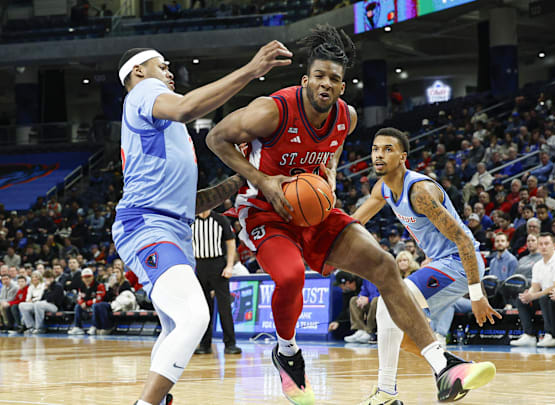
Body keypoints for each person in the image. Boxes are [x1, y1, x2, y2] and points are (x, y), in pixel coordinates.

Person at [207, 27, 497, 404]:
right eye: (319, 76)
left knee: (384, 264)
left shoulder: (348, 117)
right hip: (266, 212)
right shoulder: (271, 110)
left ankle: (443, 367)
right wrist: (263, 180)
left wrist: (328, 172)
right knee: (291, 275)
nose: (326, 84)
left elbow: (334, 146)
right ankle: (288, 352)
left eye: (335, 79)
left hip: (315, 210)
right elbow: (215, 138)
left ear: (343, 86)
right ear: (305, 79)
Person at [112, 41, 291, 405]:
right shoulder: (146, 93)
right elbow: (187, 107)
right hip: (149, 226)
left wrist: (246, 179)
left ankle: (158, 400)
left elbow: (193, 203)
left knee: (177, 326)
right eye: (162, 65)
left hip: (173, 227)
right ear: (138, 72)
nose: (168, 72)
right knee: (196, 317)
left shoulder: (164, 126)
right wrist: (250, 70)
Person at [345, 128, 500, 404]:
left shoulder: (420, 192)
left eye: (388, 149)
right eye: (375, 149)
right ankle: (452, 367)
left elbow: (464, 240)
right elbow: (353, 223)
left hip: (461, 262)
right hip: (442, 262)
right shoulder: (382, 188)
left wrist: (477, 294)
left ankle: (387, 392)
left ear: (403, 157)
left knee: (386, 303)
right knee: (402, 334)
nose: (379, 154)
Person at [192, 209, 241, 355]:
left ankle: (230, 344)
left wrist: (229, 265)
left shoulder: (220, 220)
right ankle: (204, 344)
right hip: (199, 265)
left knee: (224, 306)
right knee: (203, 308)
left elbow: (231, 242)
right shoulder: (191, 222)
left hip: (218, 264)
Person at [510, 233, 555, 347]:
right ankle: (529, 335)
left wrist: (534, 296)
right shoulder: (538, 265)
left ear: (554, 245)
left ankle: (551, 335)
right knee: (521, 300)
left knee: (545, 298)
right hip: (543, 297)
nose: (543, 247)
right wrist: (528, 294)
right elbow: (535, 286)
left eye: (546, 243)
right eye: (541, 244)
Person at [68, 268, 106, 335]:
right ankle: (78, 327)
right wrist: (82, 303)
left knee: (95, 306)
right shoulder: (81, 286)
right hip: (87, 306)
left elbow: (99, 299)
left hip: (99, 306)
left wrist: (87, 303)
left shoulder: (99, 285)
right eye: (85, 277)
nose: (87, 279)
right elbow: (79, 298)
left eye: (89, 277)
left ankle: (94, 326)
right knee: (78, 306)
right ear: (82, 278)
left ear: (93, 277)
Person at [344, 278, 379, 344]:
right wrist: (360, 298)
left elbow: (385, 293)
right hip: (371, 302)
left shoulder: (384, 274)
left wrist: (369, 299)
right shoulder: (366, 277)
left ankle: (370, 332)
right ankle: (361, 330)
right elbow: (364, 291)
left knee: (375, 301)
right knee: (354, 300)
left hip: (382, 303)